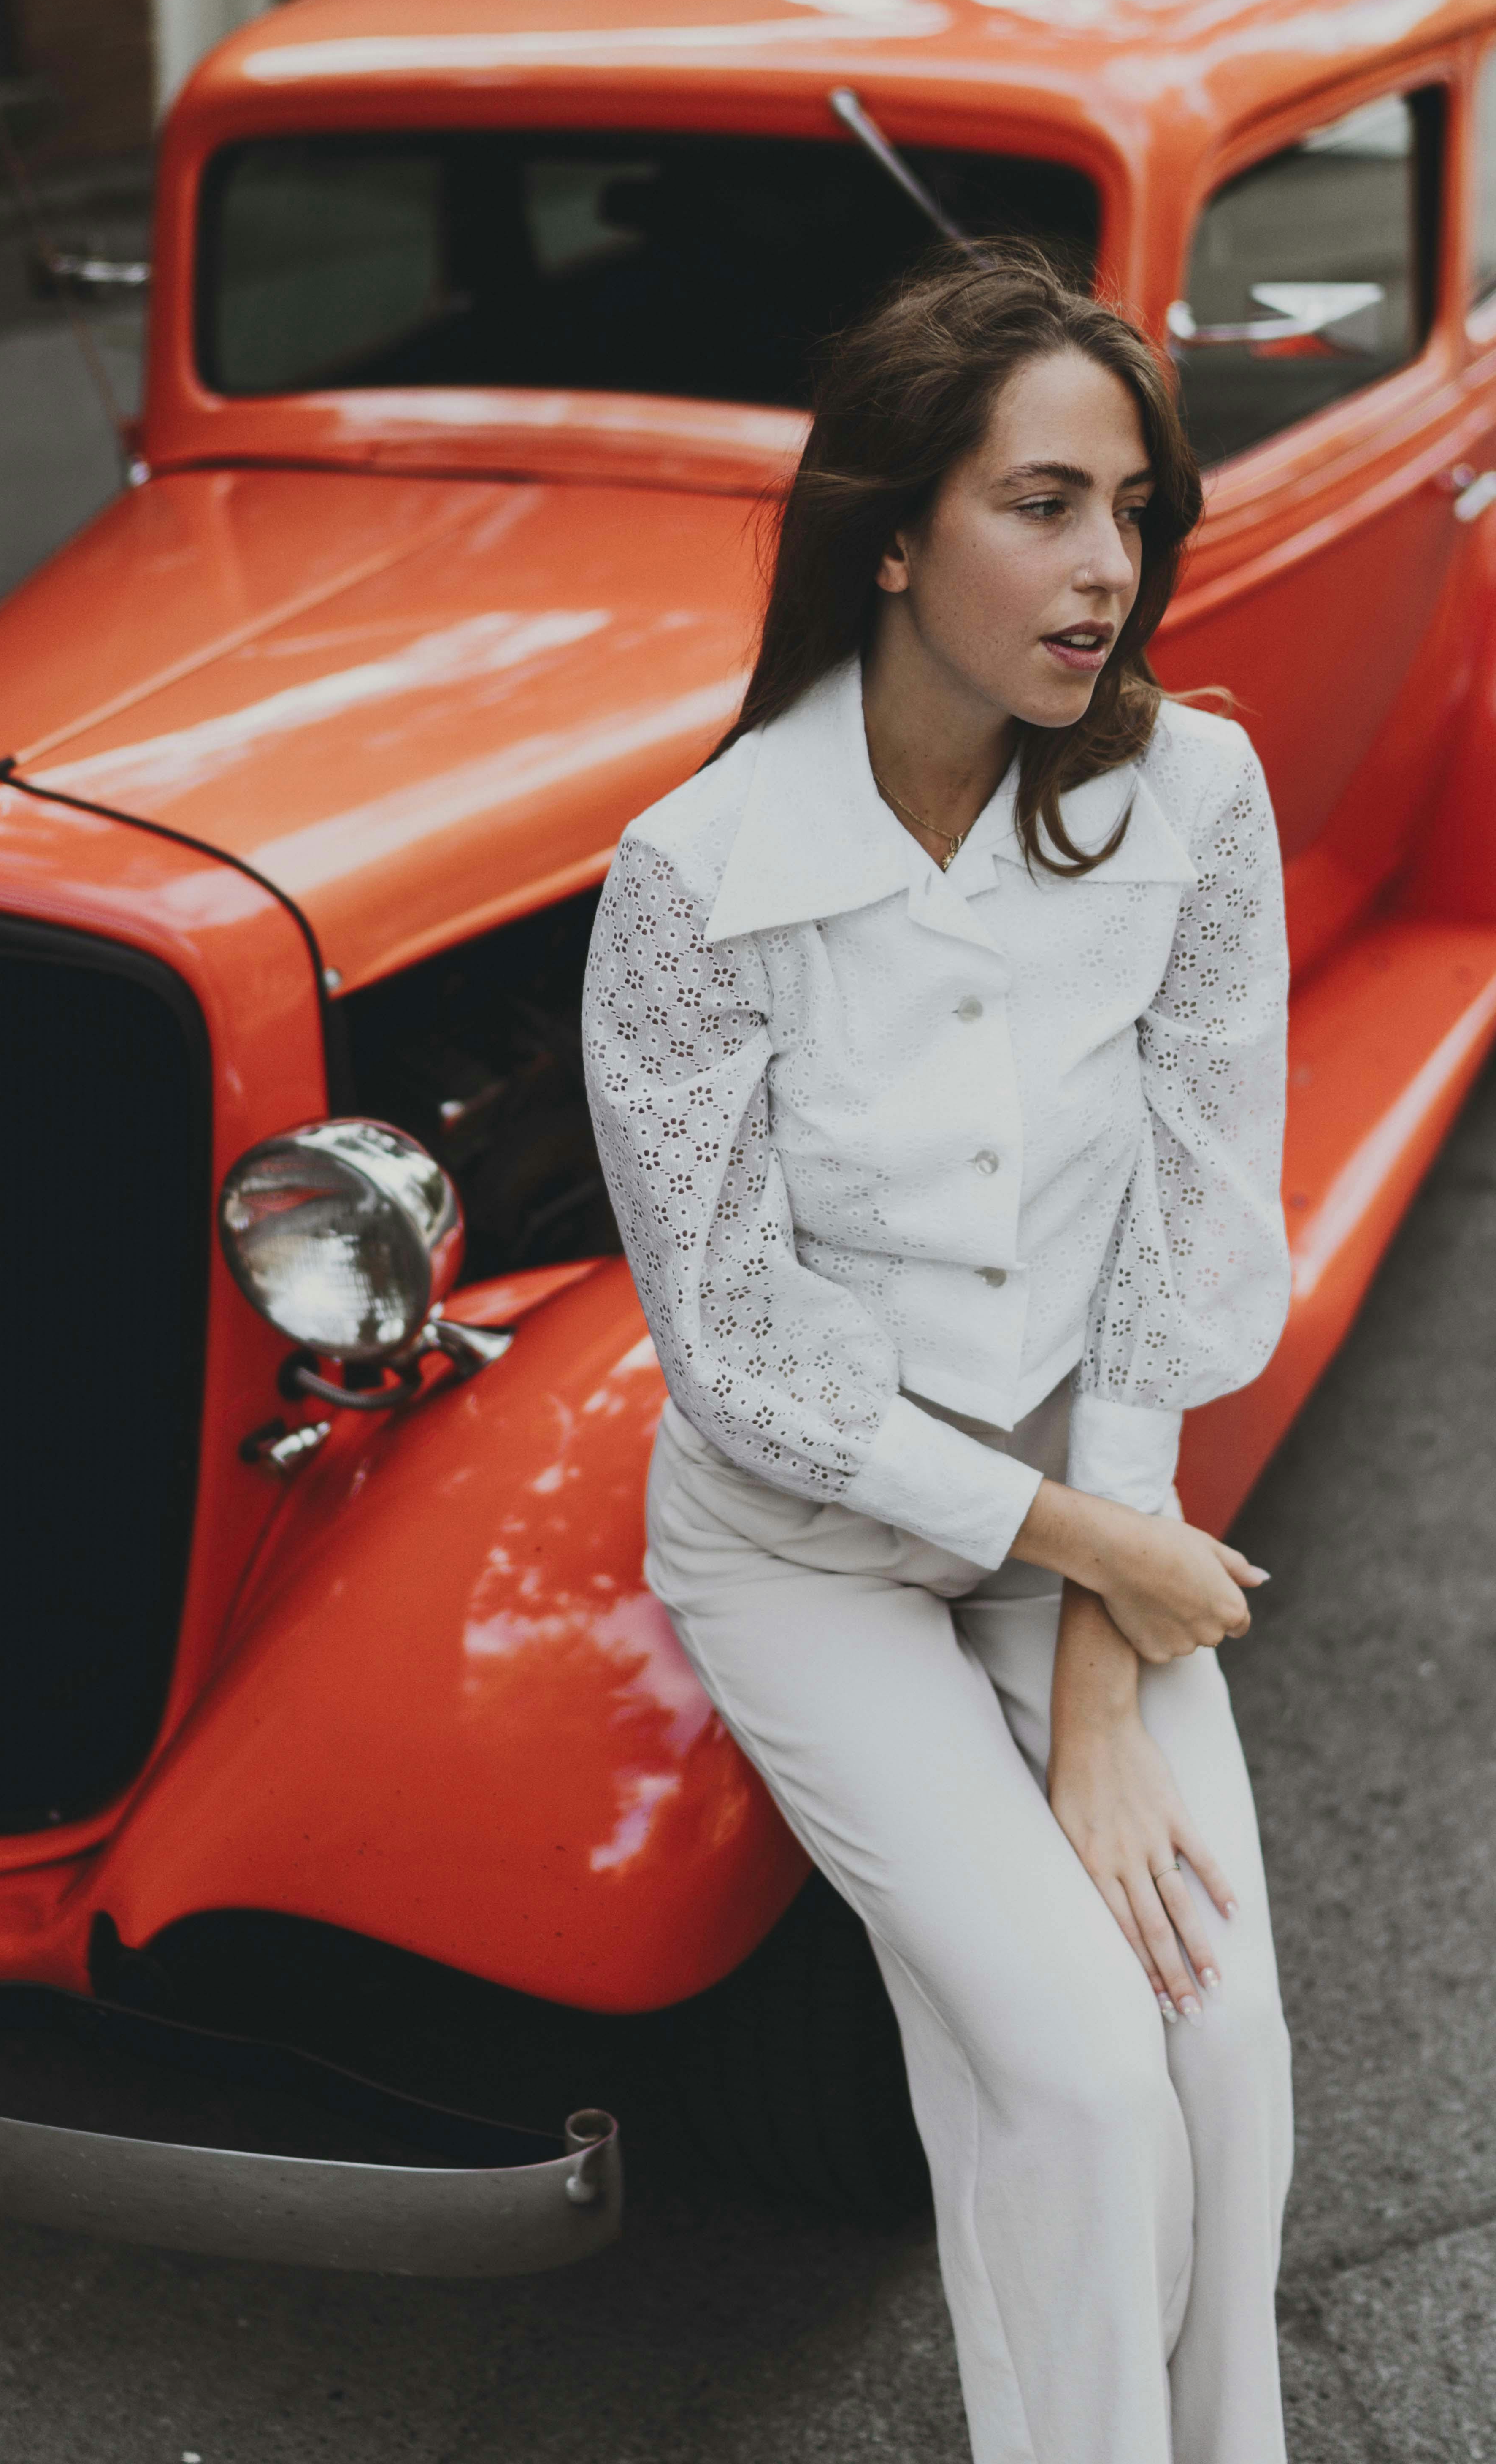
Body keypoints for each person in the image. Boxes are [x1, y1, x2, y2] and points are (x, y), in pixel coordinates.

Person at [580, 241, 1293, 2464]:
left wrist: (1098, 1661)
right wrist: (1090, 1540)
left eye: (1138, 512)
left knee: (1224, 2058)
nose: (1111, 569)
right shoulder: (691, 879)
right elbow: (742, 1351)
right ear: (893, 532)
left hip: (1085, 1524)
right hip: (805, 1547)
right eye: (1045, 506)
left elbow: (1186, 1231)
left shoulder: (1198, 804)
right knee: (1075, 2072)